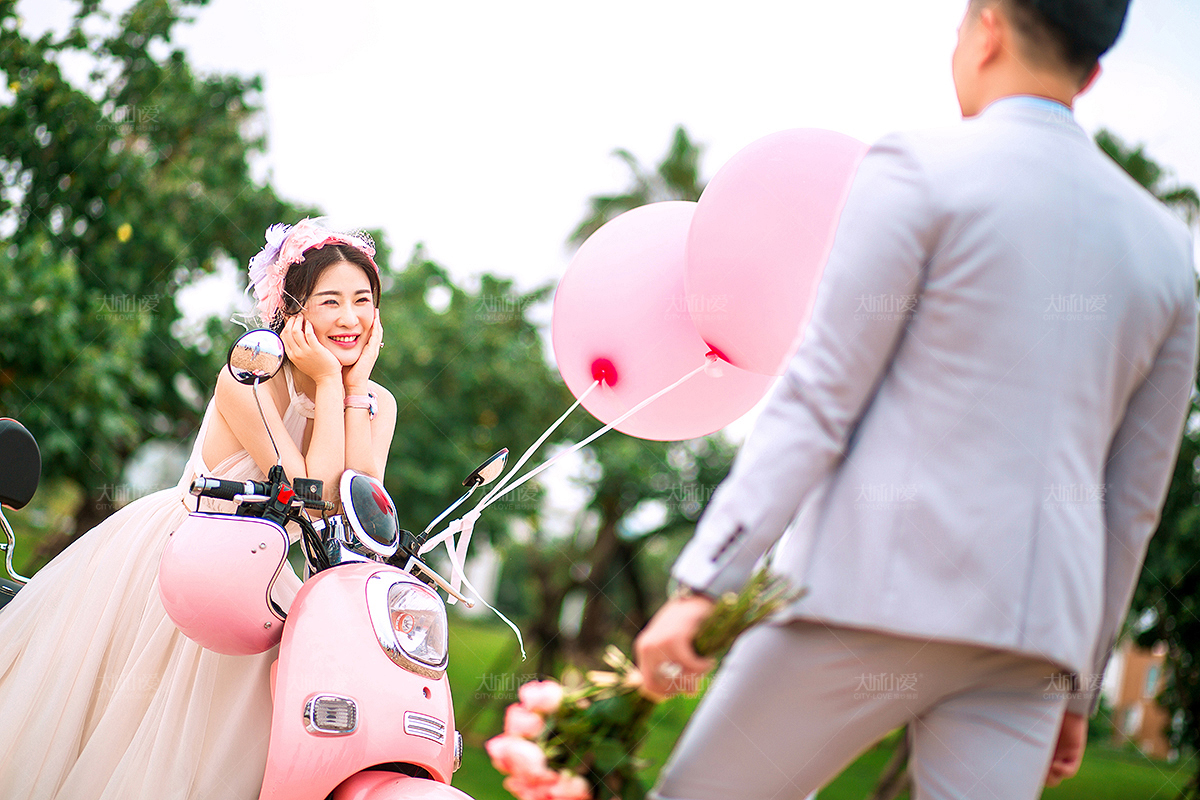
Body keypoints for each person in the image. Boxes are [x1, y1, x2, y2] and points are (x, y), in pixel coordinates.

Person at [635, 1, 1197, 798]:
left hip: (866, 598)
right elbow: (1133, 503)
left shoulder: (918, 168)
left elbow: (818, 397)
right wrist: (1076, 684)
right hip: (1033, 640)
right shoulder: (1169, 252)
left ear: (988, 29)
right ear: (1093, 71)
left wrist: (706, 582)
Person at [0, 219, 398, 799]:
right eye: (330, 301)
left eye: (363, 301)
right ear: (292, 311)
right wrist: (331, 386)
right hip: (194, 563)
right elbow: (313, 499)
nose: (350, 318)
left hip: (277, 579)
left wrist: (352, 389)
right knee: (148, 737)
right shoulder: (251, 377)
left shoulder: (376, 402)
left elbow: (358, 515)